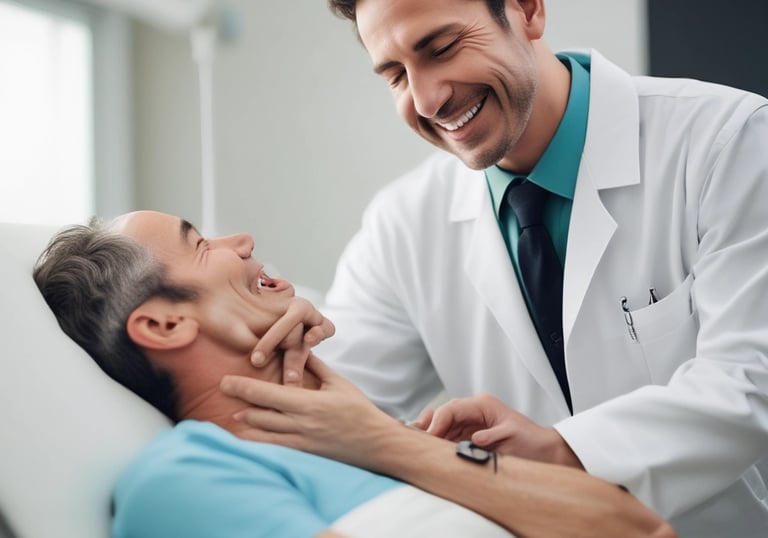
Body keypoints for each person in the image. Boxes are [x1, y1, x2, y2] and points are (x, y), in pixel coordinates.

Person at [221, 1, 768, 537]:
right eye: (395, 75)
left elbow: (750, 384)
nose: (427, 99)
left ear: (528, 10)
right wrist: (243, 315)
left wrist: (562, 451)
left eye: (441, 48)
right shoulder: (403, 224)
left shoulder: (729, 140)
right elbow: (332, 399)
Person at [33, 210, 674, 538]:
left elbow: (640, 527)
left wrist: (391, 442)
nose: (243, 241)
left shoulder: (373, 444)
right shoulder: (182, 480)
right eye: (201, 244)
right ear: (166, 326)